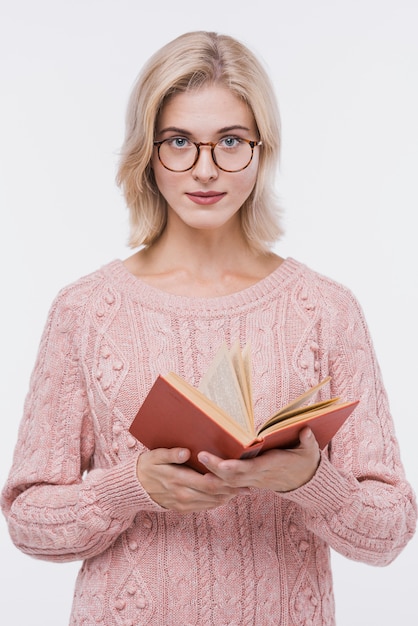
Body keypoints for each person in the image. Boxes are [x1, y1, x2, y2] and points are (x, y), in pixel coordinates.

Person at [1, 30, 416, 626]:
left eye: (229, 141)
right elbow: (28, 522)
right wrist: (130, 487)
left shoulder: (326, 309)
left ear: (261, 149)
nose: (205, 169)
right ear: (148, 153)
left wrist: (310, 481)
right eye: (179, 142)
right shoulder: (85, 310)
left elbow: (390, 532)